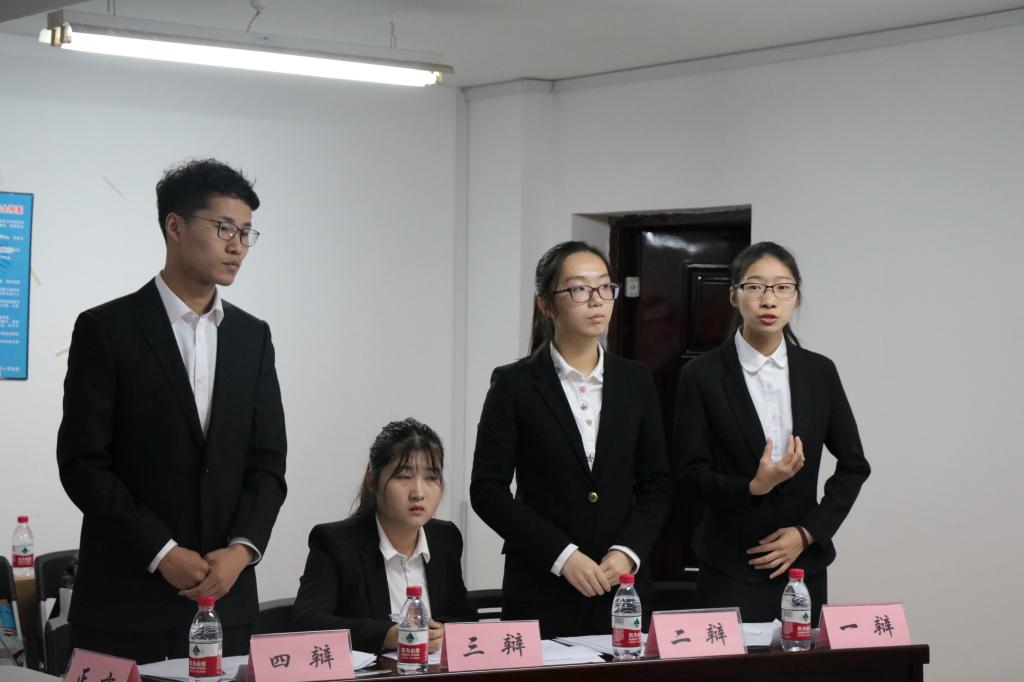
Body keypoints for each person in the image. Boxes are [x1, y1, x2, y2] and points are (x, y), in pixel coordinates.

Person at [56, 158, 287, 662]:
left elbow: (268, 464)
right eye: (224, 227)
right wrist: (161, 552)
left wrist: (241, 551)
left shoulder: (252, 337)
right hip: (125, 605)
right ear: (175, 226)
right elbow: (83, 464)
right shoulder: (107, 329)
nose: (237, 246)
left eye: (246, 233)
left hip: (227, 601)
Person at [470, 241, 672, 639]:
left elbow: (658, 483)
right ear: (547, 305)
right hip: (541, 589)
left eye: (604, 287)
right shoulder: (514, 384)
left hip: (622, 589)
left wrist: (627, 551)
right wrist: (563, 557)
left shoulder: (636, 380)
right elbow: (487, 490)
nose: (596, 300)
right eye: (579, 289)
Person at [675, 241, 870, 624]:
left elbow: (854, 466)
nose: (769, 300)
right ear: (734, 295)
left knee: (803, 658)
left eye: (782, 287)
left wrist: (808, 532)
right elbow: (687, 475)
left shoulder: (819, 372)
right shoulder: (701, 375)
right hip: (730, 563)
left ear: (795, 298)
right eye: (755, 287)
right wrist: (752, 487)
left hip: (802, 563)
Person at [292, 418, 472, 654]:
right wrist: (388, 636)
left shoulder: (445, 538)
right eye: (403, 476)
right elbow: (307, 622)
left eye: (430, 477)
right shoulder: (335, 542)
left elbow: (465, 617)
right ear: (372, 481)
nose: (418, 493)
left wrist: (445, 632)